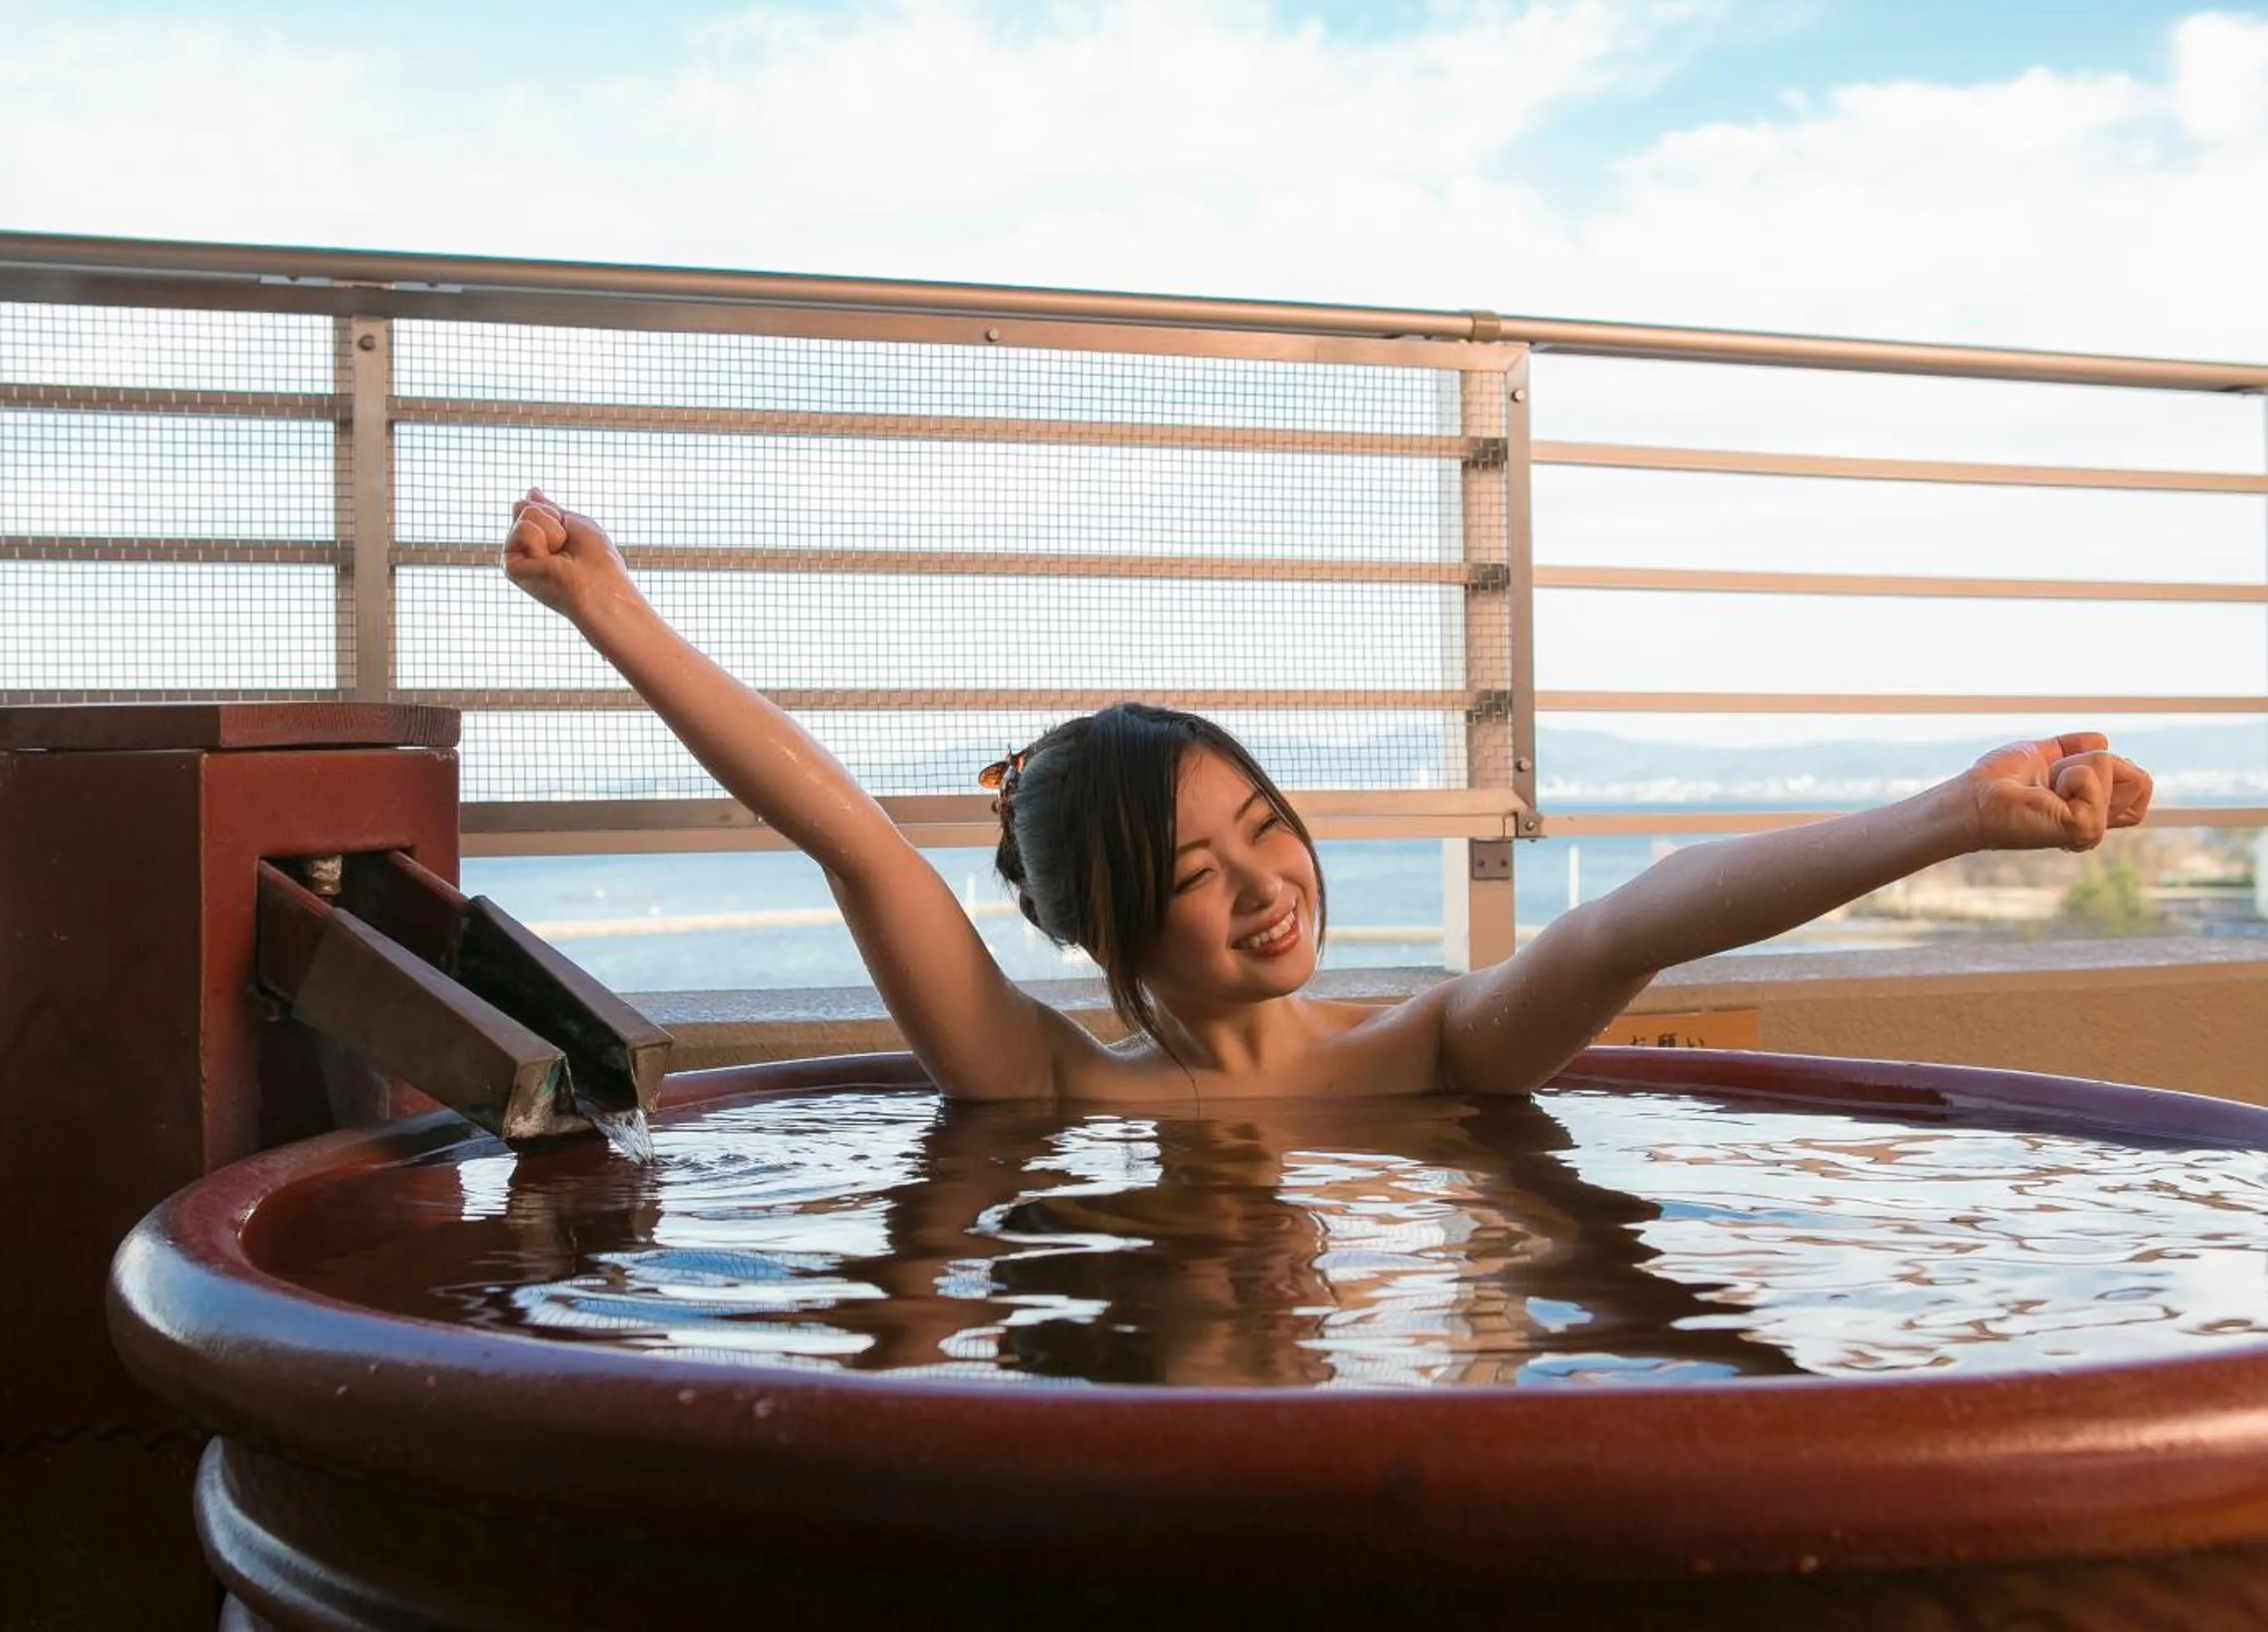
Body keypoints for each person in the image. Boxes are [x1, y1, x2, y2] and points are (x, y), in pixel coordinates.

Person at [502, 489, 2152, 1104]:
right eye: (1195, 870)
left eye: (1264, 827)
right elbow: (855, 842)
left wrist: (1954, 811)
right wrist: (614, 613)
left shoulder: (1424, 1052)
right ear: (1110, 933)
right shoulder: (1055, 1091)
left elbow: (1648, 911)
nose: (1265, 880)